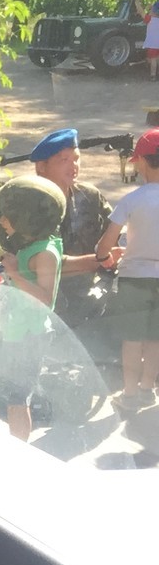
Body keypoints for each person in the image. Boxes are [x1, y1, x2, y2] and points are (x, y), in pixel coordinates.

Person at [0, 175, 70, 441]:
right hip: (17, 331)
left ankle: (19, 449)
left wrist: (15, 273)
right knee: (13, 395)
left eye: (8, 216)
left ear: (27, 219)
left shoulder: (44, 253)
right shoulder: (31, 246)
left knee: (18, 397)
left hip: (30, 336)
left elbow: (45, 299)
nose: (2, 221)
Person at [95, 128, 159, 412]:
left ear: (142, 161)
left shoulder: (133, 199)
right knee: (155, 339)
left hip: (134, 280)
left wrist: (105, 255)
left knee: (132, 339)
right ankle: (148, 390)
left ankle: (129, 395)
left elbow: (105, 244)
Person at [28, 127, 113, 264]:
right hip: (48, 276)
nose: (74, 166)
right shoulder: (29, 203)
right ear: (42, 167)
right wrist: (98, 260)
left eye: (76, 159)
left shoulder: (90, 195)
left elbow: (113, 232)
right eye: (64, 160)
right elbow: (35, 263)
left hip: (95, 275)